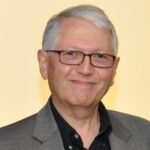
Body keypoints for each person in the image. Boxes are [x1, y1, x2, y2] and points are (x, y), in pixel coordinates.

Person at [0, 4, 150, 150]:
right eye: (71, 54)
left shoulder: (145, 137)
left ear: (114, 70)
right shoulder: (5, 144)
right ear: (44, 63)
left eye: (100, 56)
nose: (86, 69)